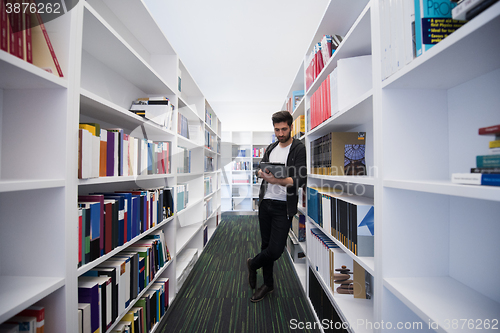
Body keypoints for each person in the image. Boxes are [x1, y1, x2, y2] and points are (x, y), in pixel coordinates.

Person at [247, 110, 307, 302]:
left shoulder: (298, 148)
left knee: (275, 250)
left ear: (291, 127)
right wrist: (261, 174)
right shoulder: (271, 147)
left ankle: (253, 264)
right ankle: (268, 285)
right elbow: (259, 169)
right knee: (266, 245)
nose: (280, 133)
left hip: (284, 207)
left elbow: (299, 179)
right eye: (277, 130)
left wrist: (276, 180)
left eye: (283, 129)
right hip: (265, 204)